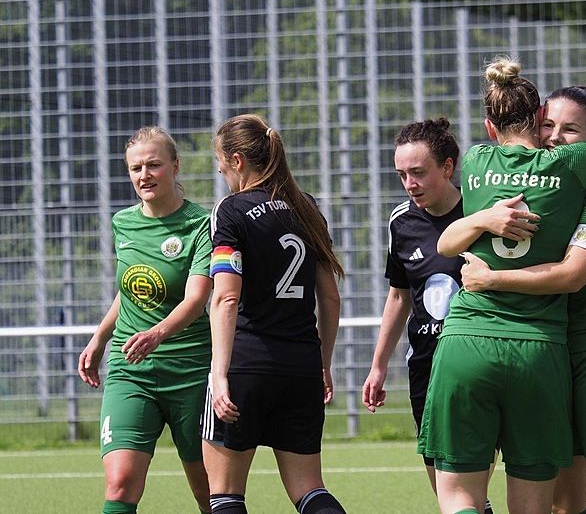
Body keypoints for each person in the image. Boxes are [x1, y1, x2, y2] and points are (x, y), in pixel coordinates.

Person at [417, 57, 586, 514]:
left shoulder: (474, 159)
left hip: (468, 339)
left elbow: (447, 244)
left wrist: (485, 227)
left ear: (490, 126)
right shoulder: (574, 165)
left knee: (459, 497)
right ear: (538, 120)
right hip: (540, 349)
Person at [200, 114, 347, 514]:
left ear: (237, 160)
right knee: (310, 491)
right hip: (301, 367)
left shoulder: (230, 211)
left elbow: (226, 299)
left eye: (221, 165)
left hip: (247, 364)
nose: (221, 174)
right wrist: (324, 365)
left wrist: (218, 374)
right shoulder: (307, 208)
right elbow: (330, 297)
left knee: (226, 494)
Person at [360, 118, 494, 514]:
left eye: (418, 173)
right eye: (402, 174)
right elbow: (399, 296)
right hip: (426, 367)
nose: (409, 183)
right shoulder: (401, 221)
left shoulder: (481, 213)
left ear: (448, 168)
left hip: (478, 363)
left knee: (471, 489)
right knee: (448, 493)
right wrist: (378, 365)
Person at [77, 126, 213, 514]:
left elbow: (197, 297)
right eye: (136, 168)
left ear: (175, 166)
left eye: (154, 164)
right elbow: (131, 289)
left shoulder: (201, 224)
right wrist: (99, 338)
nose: (144, 175)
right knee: (120, 484)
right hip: (130, 369)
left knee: (212, 494)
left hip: (190, 369)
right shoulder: (123, 223)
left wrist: (157, 333)